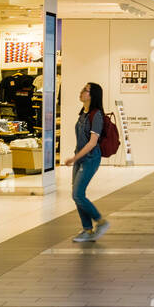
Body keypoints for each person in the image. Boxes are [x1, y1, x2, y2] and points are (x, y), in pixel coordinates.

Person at [62, 82, 110, 243]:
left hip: (90, 158)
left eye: (86, 90)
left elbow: (92, 143)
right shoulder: (83, 113)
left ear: (93, 95)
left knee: (78, 194)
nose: (82, 92)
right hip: (80, 157)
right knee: (77, 195)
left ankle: (100, 222)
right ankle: (87, 230)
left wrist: (74, 158)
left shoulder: (96, 115)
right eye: (83, 89)